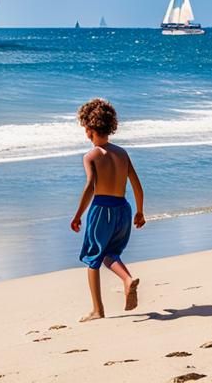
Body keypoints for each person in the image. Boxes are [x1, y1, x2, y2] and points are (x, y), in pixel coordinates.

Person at [70, 98, 145, 321]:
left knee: (93, 258)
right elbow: (137, 184)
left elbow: (90, 187)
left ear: (89, 129)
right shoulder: (122, 153)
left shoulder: (91, 156)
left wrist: (78, 215)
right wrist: (140, 211)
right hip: (123, 208)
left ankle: (98, 310)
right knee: (111, 254)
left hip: (102, 210)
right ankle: (127, 279)